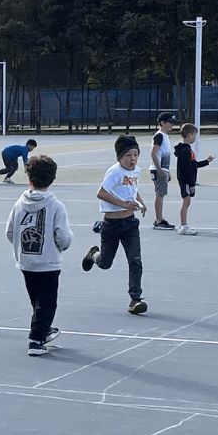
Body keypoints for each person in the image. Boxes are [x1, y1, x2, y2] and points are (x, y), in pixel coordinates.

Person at [9, 152, 72, 355]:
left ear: (29, 177)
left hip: (27, 262)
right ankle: (36, 339)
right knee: (47, 301)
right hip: (48, 262)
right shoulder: (56, 205)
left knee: (36, 299)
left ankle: (43, 330)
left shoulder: (19, 204)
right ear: (52, 178)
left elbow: (10, 231)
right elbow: (62, 235)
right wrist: (63, 245)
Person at [78, 135, 149, 315]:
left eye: (135, 155)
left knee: (135, 260)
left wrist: (140, 203)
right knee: (105, 263)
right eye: (128, 155)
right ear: (119, 157)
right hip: (112, 224)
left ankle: (135, 299)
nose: (133, 159)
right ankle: (93, 254)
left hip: (130, 224)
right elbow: (101, 193)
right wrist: (124, 204)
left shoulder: (136, 171)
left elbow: (133, 190)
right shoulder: (114, 172)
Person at [173, 123, 212, 235]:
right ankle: (183, 226)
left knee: (187, 202)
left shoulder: (187, 150)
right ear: (189, 135)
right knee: (186, 202)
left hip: (186, 180)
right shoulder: (185, 151)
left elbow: (193, 165)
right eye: (194, 136)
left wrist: (207, 161)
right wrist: (191, 184)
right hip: (185, 180)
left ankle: (183, 224)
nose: (195, 138)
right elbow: (186, 169)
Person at [147, 115, 176, 229]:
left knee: (161, 194)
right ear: (162, 123)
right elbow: (154, 153)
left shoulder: (165, 136)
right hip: (158, 169)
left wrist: (167, 171)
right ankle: (158, 220)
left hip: (163, 169)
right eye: (170, 122)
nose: (172, 125)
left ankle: (160, 218)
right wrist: (159, 170)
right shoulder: (159, 136)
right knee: (160, 194)